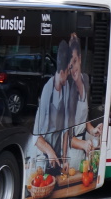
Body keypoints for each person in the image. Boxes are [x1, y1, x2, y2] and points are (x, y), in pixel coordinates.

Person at [33, 40, 70, 172]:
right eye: (68, 71)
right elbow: (36, 137)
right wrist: (49, 152)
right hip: (43, 156)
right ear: (62, 72)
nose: (70, 74)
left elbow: (66, 129)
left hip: (57, 157)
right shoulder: (47, 91)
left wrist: (65, 160)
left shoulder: (66, 88)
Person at [66, 34, 99, 167]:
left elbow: (84, 119)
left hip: (84, 151)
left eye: (74, 61)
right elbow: (66, 137)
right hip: (71, 154)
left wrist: (92, 130)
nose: (73, 68)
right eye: (69, 65)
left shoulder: (85, 80)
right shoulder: (68, 89)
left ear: (80, 59)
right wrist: (84, 144)